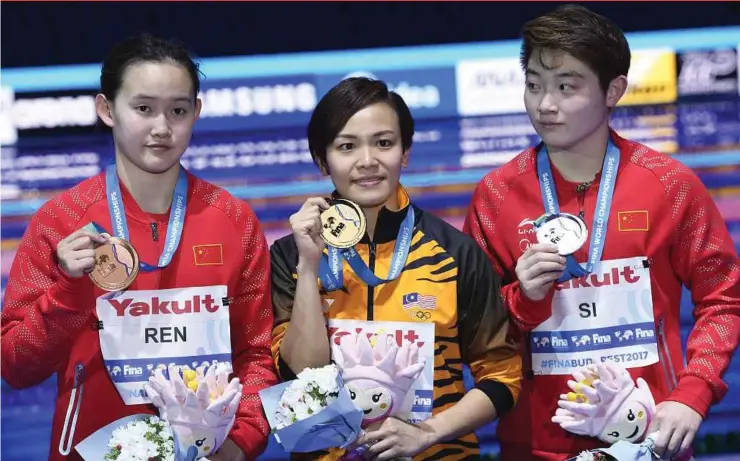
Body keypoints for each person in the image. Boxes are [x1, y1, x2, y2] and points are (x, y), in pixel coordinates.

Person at [463, 4, 740, 461]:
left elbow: (725, 298)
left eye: (565, 87)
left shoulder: (669, 185)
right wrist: (524, 298)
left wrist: (694, 391)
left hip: (650, 439)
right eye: (533, 85)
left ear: (613, 91)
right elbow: (476, 328)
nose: (544, 104)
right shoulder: (496, 195)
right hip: (534, 446)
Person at [1, 33, 278, 461]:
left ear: (196, 113)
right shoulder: (60, 221)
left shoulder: (235, 221)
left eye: (178, 110)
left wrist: (240, 444)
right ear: (107, 109)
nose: (162, 128)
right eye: (143, 108)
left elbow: (256, 355)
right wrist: (68, 291)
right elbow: (16, 366)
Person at [269, 77, 522, 460]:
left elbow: (504, 377)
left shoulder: (454, 252)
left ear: (405, 152)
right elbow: (301, 373)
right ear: (323, 159)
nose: (367, 160)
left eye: (384, 143)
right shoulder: (291, 256)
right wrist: (309, 265)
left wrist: (426, 433)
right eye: (347, 146)